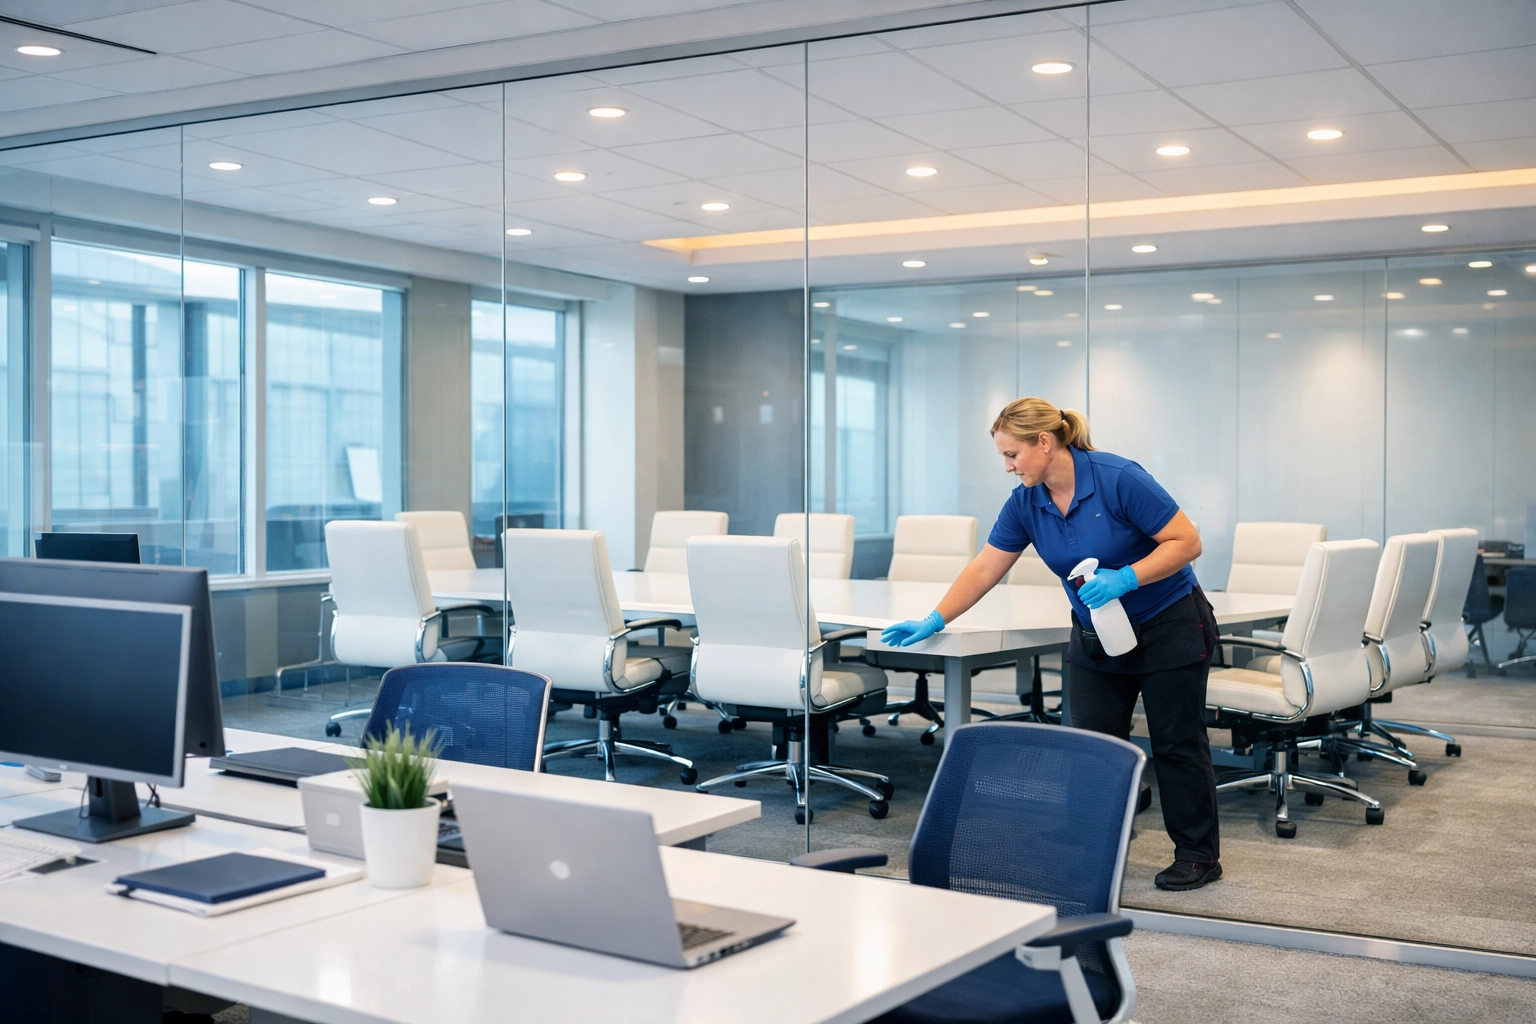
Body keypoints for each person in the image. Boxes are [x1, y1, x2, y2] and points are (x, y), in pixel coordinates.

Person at [882, 397, 1222, 891]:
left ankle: (1198, 855)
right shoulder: (1027, 500)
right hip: (1095, 632)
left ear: (1044, 442)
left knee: (1176, 743)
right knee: (1088, 744)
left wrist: (1127, 577)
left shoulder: (1117, 477)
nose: (1007, 467)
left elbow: (1186, 542)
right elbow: (985, 567)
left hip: (1166, 622)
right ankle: (1095, 837)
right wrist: (937, 617)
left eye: (1011, 455)